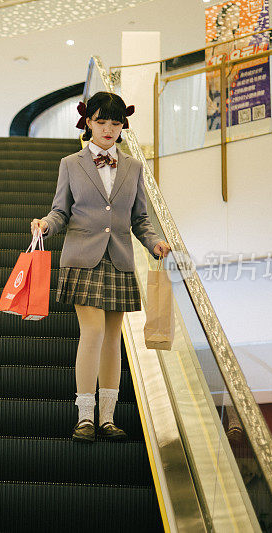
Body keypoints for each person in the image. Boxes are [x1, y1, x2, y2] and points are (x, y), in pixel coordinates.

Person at [30, 92, 170, 443]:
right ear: (88, 121)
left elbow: (140, 218)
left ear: (123, 125)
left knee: (112, 340)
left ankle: (108, 418)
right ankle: (85, 417)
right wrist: (46, 224)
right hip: (82, 257)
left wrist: (155, 242)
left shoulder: (134, 167)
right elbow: (61, 210)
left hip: (119, 260)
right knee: (92, 333)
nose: (109, 128)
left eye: (116, 122)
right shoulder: (70, 163)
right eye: (102, 120)